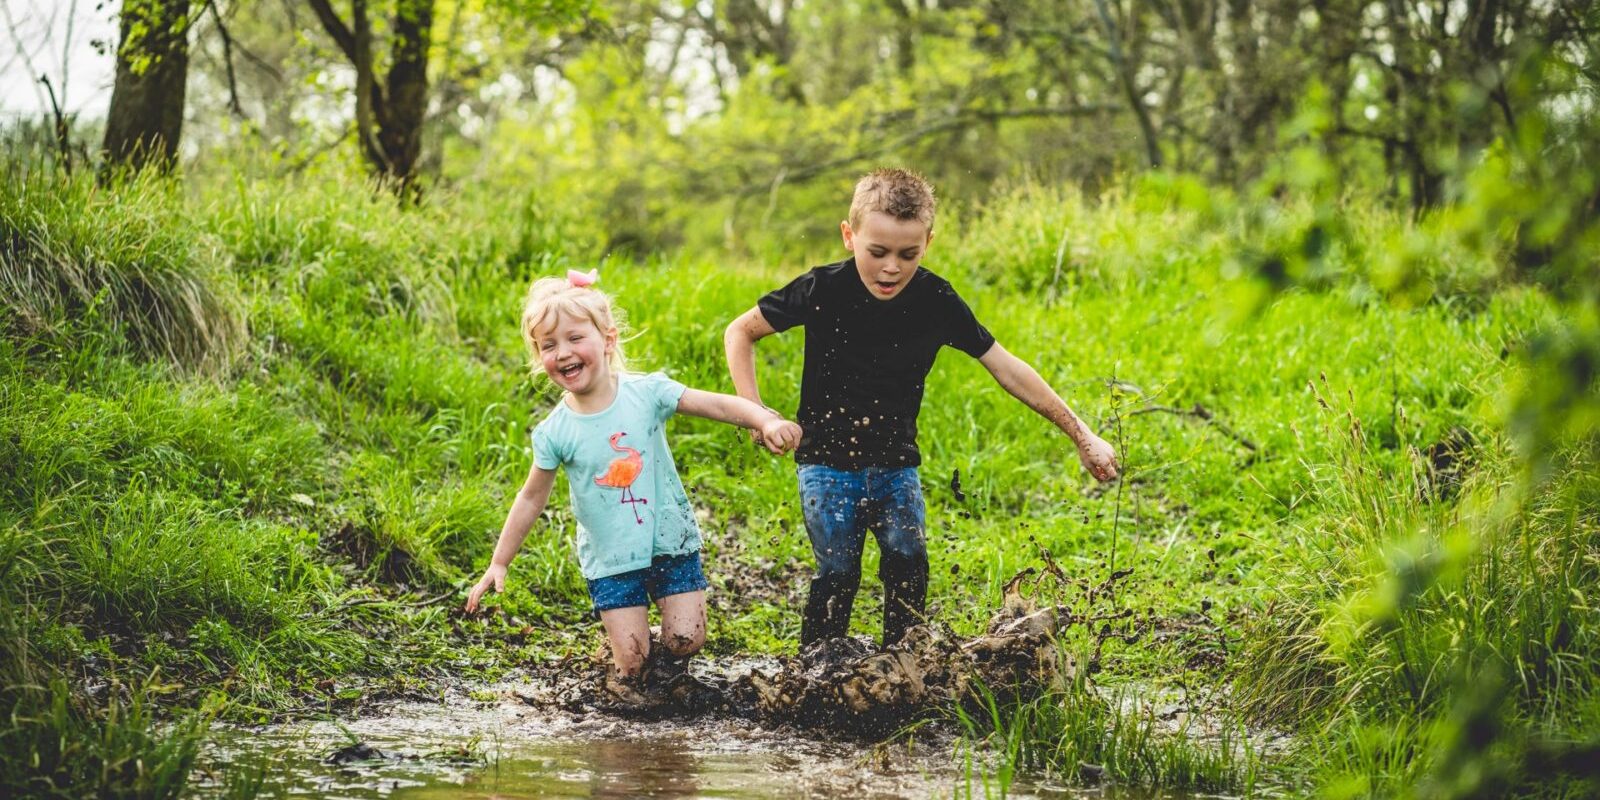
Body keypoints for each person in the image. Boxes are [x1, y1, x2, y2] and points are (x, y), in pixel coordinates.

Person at [723, 168, 1120, 649]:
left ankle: (906, 667)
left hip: (895, 466)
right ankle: (814, 674)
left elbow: (1007, 367)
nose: (892, 267)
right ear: (850, 237)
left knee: (908, 560)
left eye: (908, 254)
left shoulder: (936, 300)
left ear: (927, 243)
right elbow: (740, 332)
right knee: (838, 571)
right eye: (878, 252)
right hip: (825, 462)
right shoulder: (822, 289)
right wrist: (755, 412)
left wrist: (1082, 434)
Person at [466, 269, 802, 697]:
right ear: (538, 357)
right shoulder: (555, 431)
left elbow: (713, 403)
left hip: (670, 540)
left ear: (607, 340)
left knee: (686, 639)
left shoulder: (648, 393)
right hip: (611, 558)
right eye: (548, 345)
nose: (562, 352)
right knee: (632, 661)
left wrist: (763, 419)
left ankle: (667, 676)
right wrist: (500, 562)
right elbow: (531, 497)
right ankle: (630, 680)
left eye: (574, 338)